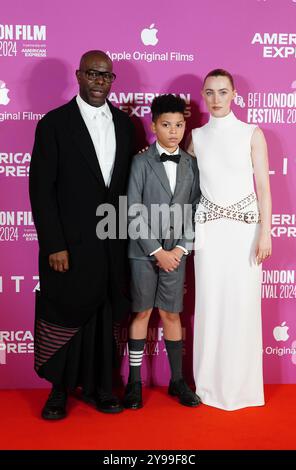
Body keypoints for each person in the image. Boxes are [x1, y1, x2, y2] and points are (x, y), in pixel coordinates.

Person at [29, 50, 134, 419]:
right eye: (92, 74)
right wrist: (54, 245)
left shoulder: (124, 125)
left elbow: (123, 189)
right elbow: (41, 190)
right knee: (66, 311)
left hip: (111, 244)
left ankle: (102, 387)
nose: (99, 82)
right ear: (78, 75)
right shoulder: (54, 124)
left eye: (106, 76)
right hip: (68, 245)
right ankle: (59, 391)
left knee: (104, 315)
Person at [187, 69, 272, 411]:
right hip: (209, 232)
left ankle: (242, 387)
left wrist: (265, 231)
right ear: (203, 95)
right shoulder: (195, 137)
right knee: (209, 305)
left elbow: (264, 188)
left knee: (243, 305)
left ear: (235, 93)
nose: (217, 99)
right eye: (210, 92)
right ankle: (207, 386)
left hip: (245, 232)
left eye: (223, 91)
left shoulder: (252, 133)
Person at [124, 94, 201, 409]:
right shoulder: (140, 162)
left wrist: (182, 247)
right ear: (154, 125)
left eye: (179, 125)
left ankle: (177, 381)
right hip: (144, 253)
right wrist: (156, 250)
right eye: (166, 125)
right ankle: (134, 382)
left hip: (177, 253)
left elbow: (197, 209)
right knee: (141, 312)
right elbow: (132, 210)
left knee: (172, 314)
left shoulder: (192, 165)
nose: (173, 131)